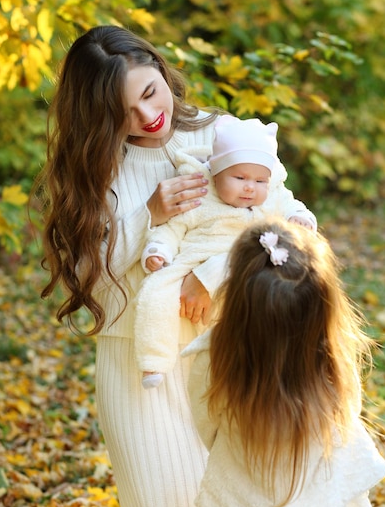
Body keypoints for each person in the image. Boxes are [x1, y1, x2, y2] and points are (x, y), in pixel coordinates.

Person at [38, 24, 223, 507]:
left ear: (161, 69)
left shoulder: (220, 135)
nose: (147, 117)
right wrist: (149, 217)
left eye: (149, 93)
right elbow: (93, 282)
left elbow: (279, 227)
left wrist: (209, 275)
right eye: (124, 112)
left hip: (227, 353)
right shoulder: (94, 171)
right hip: (138, 376)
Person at [182, 220, 385, 507]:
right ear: (321, 309)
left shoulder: (212, 358)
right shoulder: (332, 357)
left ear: (236, 299)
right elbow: (348, 414)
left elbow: (207, 426)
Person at [136, 114, 317, 389]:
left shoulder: (275, 196)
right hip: (193, 261)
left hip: (247, 270)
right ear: (216, 174)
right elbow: (172, 228)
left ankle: (272, 367)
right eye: (240, 177)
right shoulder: (199, 196)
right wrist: (158, 249)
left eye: (259, 181)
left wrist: (301, 219)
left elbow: (293, 207)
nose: (249, 187)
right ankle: (154, 360)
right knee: (156, 292)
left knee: (274, 302)